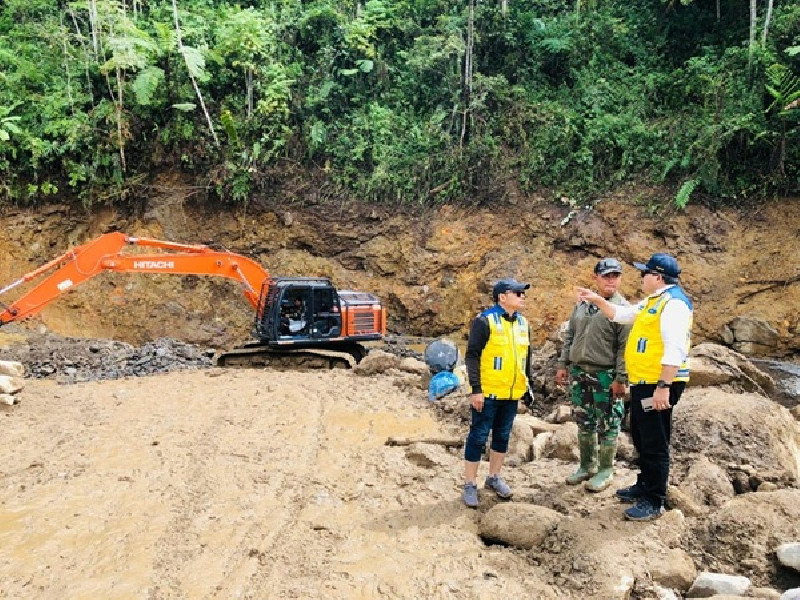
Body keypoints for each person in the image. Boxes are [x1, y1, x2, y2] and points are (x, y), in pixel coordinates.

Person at [577, 253, 692, 521]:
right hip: (644, 382)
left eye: (646, 273)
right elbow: (622, 314)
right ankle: (644, 484)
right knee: (641, 435)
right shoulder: (655, 301)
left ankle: (654, 499)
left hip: (658, 383)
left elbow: (674, 348)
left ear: (658, 277)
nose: (641, 277)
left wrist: (664, 385)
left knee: (655, 440)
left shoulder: (673, 304)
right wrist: (596, 300)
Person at [556, 258, 631, 492]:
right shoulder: (582, 305)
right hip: (580, 373)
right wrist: (563, 364)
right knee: (584, 421)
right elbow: (570, 335)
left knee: (609, 423)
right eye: (606, 275)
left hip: (605, 375)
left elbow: (624, 347)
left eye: (615, 276)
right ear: (596, 278)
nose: (611, 280)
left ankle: (606, 470)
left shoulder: (621, 309)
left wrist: (621, 378)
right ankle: (587, 465)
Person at [462, 277, 533, 508]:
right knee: (479, 436)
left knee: (502, 436)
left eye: (523, 293)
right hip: (488, 393)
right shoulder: (485, 321)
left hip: (511, 394)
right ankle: (470, 483)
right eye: (518, 293)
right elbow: (472, 355)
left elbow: (526, 358)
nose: (522, 297)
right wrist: (476, 390)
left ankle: (494, 477)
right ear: (502, 297)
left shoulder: (523, 323)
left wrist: (527, 386)